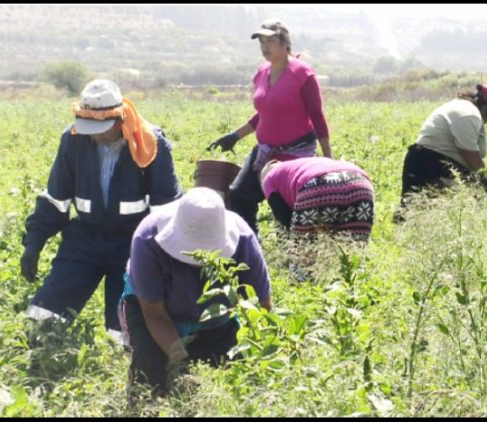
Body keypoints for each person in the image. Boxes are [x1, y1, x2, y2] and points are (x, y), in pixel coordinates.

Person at [20, 79, 183, 344]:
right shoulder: (72, 140)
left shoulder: (151, 143)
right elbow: (57, 198)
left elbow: (166, 210)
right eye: (88, 127)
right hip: (85, 239)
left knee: (126, 332)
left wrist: (165, 261)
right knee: (43, 319)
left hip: (132, 244)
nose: (94, 134)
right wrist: (34, 243)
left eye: (101, 128)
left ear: (120, 119)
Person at [118, 187, 272, 396]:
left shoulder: (244, 240)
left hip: (215, 319)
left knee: (242, 380)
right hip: (155, 314)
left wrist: (264, 353)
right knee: (151, 381)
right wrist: (181, 364)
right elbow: (155, 315)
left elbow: (262, 309)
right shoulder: (147, 239)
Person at [207, 18, 332, 235]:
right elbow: (264, 114)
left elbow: (317, 116)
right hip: (265, 151)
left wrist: (328, 158)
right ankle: (251, 246)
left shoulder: (303, 74)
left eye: (270, 41)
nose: (264, 47)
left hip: (295, 154)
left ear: (285, 43)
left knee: (285, 210)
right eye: (261, 43)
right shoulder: (261, 73)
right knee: (239, 195)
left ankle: (294, 254)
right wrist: (234, 136)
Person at [398, 83, 487, 213]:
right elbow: (468, 153)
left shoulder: (461, 106)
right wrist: (485, 176)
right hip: (431, 163)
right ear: (485, 108)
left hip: (421, 159)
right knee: (480, 186)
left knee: (411, 212)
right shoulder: (469, 114)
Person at [260, 157, 375, 242]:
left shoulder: (269, 178)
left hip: (317, 186)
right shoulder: (303, 163)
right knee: (354, 250)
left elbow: (284, 220)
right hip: (360, 183)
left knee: (302, 254)